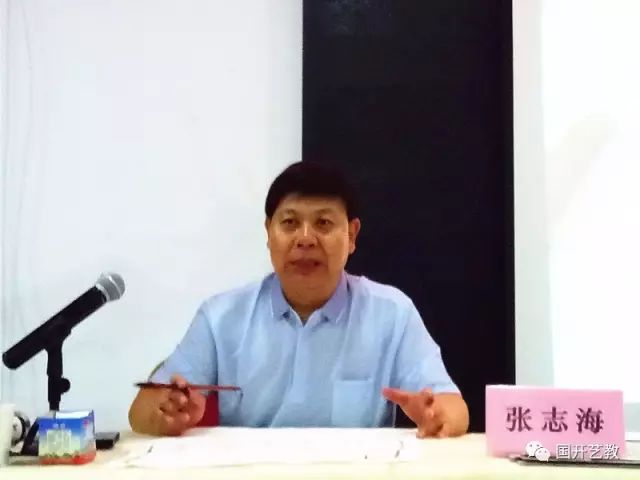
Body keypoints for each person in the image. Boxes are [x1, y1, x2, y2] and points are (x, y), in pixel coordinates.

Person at [128, 161, 469, 437]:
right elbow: (141, 411)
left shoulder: (392, 314)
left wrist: (437, 416)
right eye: (290, 223)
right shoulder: (221, 317)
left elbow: (453, 408)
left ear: (351, 235)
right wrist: (165, 411)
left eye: (323, 223)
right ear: (269, 232)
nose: (305, 239)